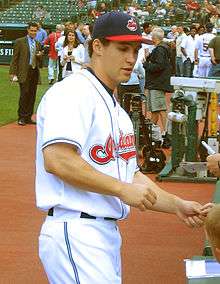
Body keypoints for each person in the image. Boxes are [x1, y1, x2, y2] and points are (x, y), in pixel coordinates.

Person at [36, 11, 207, 284]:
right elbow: (57, 159)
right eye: (123, 48)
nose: (131, 58)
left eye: (136, 50)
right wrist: (120, 189)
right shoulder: (72, 92)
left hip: (103, 235)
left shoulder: (118, 112)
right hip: (76, 229)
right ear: (98, 46)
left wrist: (177, 205)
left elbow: (131, 177)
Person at [143, 27, 173, 148]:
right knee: (155, 109)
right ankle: (152, 133)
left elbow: (158, 66)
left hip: (157, 83)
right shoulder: (162, 49)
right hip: (156, 83)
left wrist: (146, 63)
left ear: (154, 38)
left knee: (160, 109)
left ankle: (166, 134)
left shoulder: (160, 49)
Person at [9, 22, 43, 126]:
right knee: (24, 94)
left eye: (35, 31)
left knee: (32, 95)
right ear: (28, 30)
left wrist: (40, 56)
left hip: (34, 71)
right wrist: (12, 73)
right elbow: (14, 59)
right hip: (24, 71)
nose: (33, 32)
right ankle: (22, 117)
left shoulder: (37, 43)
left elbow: (40, 64)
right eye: (31, 30)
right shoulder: (19, 42)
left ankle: (28, 117)